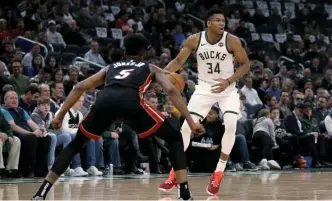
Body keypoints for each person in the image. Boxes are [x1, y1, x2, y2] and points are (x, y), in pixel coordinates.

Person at [32, 34, 204, 200]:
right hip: (131, 104)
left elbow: (79, 87)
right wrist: (190, 121)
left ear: (125, 50)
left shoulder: (110, 68)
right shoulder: (150, 67)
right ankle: (184, 193)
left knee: (76, 144)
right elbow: (172, 91)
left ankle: (41, 192)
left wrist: (59, 116)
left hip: (104, 102)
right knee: (174, 136)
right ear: (144, 52)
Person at [159, 8, 250, 195]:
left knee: (231, 125)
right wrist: (161, 75)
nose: (222, 23)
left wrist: (228, 81)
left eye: (223, 20)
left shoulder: (232, 40)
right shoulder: (194, 39)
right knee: (186, 128)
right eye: (217, 20)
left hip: (227, 89)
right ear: (208, 23)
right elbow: (178, 61)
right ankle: (175, 173)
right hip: (204, 89)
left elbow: (246, 64)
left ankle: (218, 172)